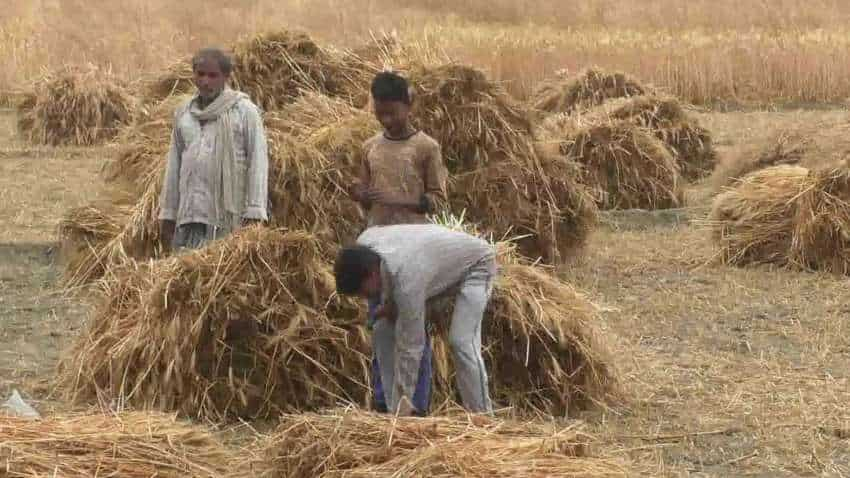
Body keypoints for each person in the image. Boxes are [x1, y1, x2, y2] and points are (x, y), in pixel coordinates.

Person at [350, 71, 449, 415]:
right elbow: (364, 196)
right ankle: (383, 399)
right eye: (380, 113)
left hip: (413, 250)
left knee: (411, 329)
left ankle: (415, 405)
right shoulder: (370, 148)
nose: (386, 120)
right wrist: (361, 194)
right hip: (378, 250)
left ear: (409, 106)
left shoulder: (426, 148)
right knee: (380, 325)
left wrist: (400, 200)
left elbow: (437, 199)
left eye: (393, 112)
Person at [334, 224, 497, 416]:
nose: (365, 298)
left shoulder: (406, 282)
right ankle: (390, 408)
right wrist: (389, 303)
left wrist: (402, 411)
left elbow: (411, 348)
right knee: (382, 329)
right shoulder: (365, 243)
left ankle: (482, 418)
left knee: (461, 341)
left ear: (372, 274)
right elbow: (392, 276)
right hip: (429, 267)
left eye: (363, 292)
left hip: (476, 264)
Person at [159, 47, 269, 251]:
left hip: (227, 220)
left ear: (226, 77)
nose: (205, 81)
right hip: (189, 216)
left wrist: (254, 213)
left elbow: (258, 162)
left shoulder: (244, 111)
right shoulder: (184, 114)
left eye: (212, 75)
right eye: (200, 74)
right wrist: (168, 213)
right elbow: (174, 167)